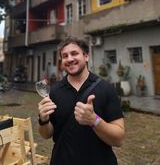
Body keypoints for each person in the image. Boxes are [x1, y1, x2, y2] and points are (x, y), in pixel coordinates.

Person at [38, 36, 125, 165]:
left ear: (86, 56)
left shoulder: (106, 89)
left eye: (74, 53)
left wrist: (94, 120)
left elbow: (119, 139)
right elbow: (46, 135)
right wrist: (43, 120)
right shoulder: (55, 91)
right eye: (65, 56)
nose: (70, 59)